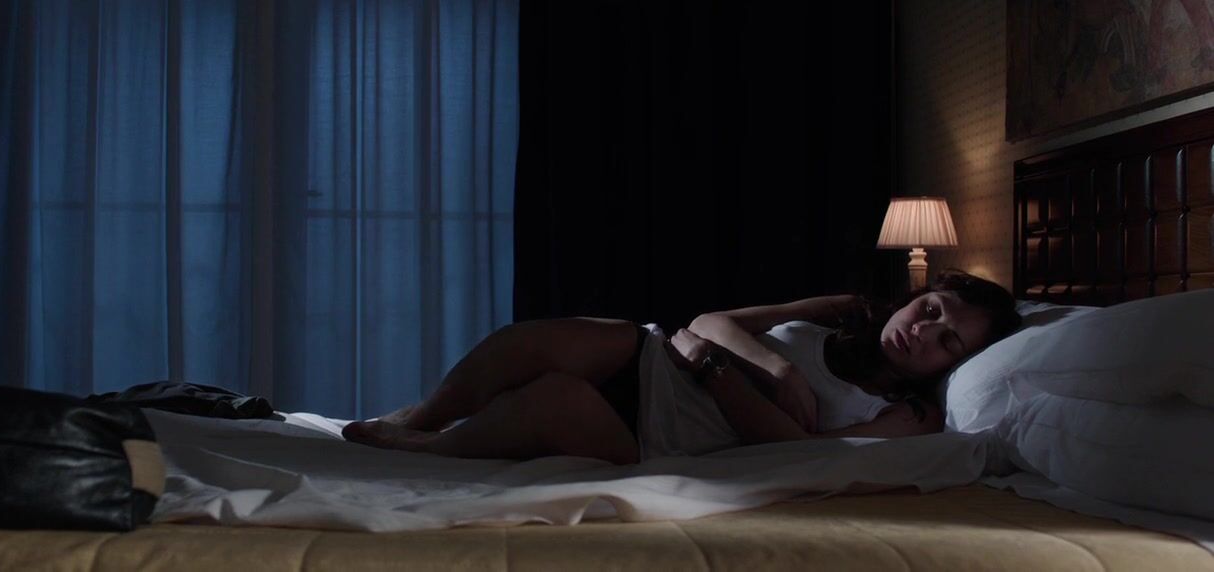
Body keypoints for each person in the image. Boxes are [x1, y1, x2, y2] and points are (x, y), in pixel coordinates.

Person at [342, 269, 1022, 465]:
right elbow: (712, 321)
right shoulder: (845, 311)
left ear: (957, 366)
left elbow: (800, 451)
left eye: (947, 342)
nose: (923, 332)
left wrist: (713, 371)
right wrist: (778, 372)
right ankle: (425, 415)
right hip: (655, 358)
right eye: (930, 309)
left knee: (553, 399)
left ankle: (429, 447)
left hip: (663, 431)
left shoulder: (907, 417)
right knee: (527, 342)